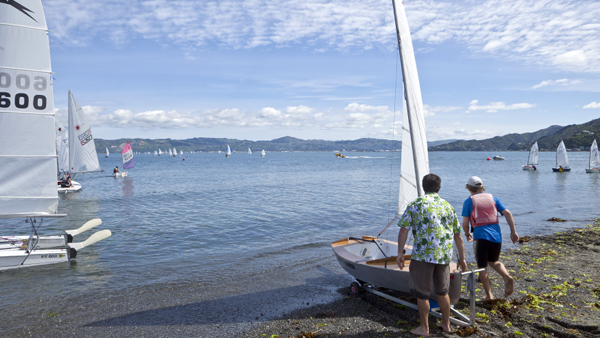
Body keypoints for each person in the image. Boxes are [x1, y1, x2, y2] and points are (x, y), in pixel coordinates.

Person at [397, 173, 467, 336]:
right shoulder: (447, 206)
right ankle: (446, 324)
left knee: (422, 293)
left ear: (423, 186)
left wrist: (400, 252)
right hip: (443, 256)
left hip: (423, 256)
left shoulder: (415, 204)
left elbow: (403, 230)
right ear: (439, 187)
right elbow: (458, 235)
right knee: (443, 292)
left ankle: (424, 328)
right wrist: (462, 258)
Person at [462, 176, 519, 301]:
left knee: (482, 267)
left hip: (481, 237)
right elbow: (508, 213)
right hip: (496, 236)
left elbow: (465, 224)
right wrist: (513, 232)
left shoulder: (469, 201)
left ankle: (489, 296)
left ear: (469, 188)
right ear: (481, 187)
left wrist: (467, 234)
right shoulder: (493, 198)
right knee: (493, 261)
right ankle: (506, 276)